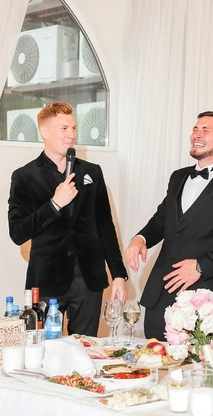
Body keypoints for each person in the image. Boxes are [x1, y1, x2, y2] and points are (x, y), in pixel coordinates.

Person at [125, 111, 213, 340]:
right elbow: (162, 219)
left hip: (204, 307)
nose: (196, 135)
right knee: (153, 359)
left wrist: (201, 266)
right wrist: (140, 239)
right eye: (195, 129)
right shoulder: (178, 177)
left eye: (205, 130)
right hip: (159, 300)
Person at [8, 102, 128, 336]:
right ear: (44, 132)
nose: (71, 134)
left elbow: (105, 227)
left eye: (73, 128)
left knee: (85, 350)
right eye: (64, 128)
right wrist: (54, 204)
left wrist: (119, 274)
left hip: (89, 281)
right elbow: (17, 232)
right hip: (46, 281)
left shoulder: (92, 172)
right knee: (43, 349)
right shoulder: (24, 176)